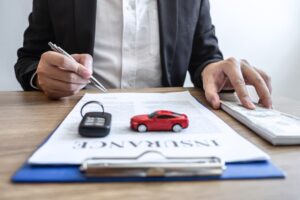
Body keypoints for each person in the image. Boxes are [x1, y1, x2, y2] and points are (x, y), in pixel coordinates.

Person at [15, 0, 272, 110]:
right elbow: (29, 59)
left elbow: (205, 57)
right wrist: (40, 77)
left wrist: (215, 68)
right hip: (77, 119)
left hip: (167, 124)